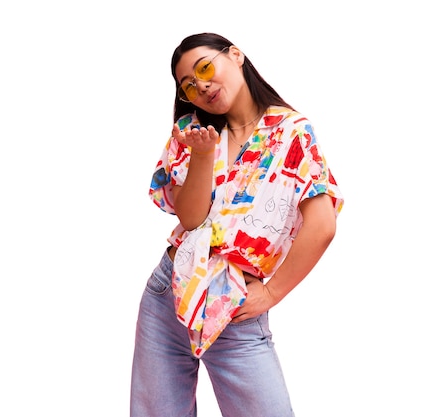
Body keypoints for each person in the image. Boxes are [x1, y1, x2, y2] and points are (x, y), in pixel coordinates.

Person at [130, 32, 344, 417]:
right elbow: (192, 218)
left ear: (235, 55)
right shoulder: (193, 132)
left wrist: (272, 292)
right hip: (168, 295)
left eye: (205, 68)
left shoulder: (292, 132)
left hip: (234, 305)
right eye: (189, 86)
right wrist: (202, 153)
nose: (201, 86)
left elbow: (322, 223)